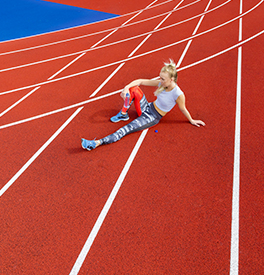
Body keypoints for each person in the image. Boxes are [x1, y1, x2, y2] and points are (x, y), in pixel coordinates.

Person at [81, 59, 205, 151]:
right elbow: (140, 81)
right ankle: (123, 114)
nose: (160, 81)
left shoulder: (178, 94)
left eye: (162, 79)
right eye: (160, 78)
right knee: (134, 89)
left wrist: (192, 120)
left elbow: (183, 108)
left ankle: (97, 143)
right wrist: (126, 88)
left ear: (171, 80)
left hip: (152, 117)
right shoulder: (162, 84)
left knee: (125, 129)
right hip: (147, 107)